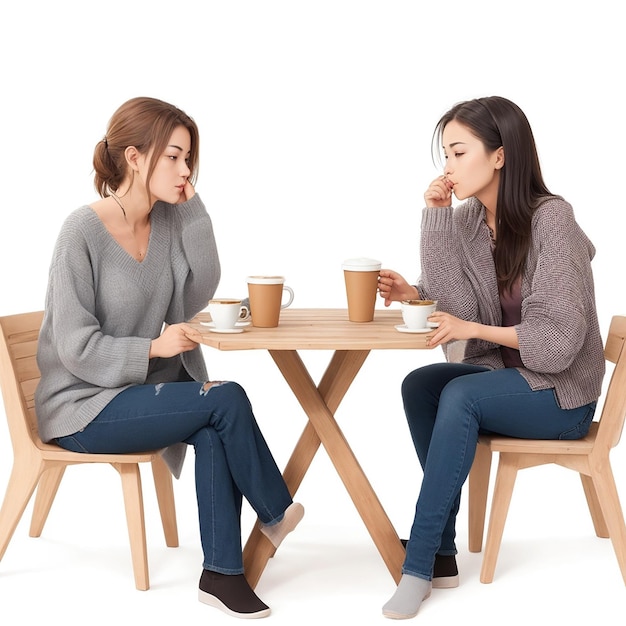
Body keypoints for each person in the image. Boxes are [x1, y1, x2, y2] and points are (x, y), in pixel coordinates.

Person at [34, 96, 304, 619]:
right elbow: (73, 345)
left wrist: (193, 207)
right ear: (134, 158)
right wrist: (152, 348)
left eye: (188, 160)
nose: (185, 170)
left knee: (212, 427)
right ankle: (275, 510)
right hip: (80, 406)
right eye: (174, 158)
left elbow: (196, 292)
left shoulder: (168, 222)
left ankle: (222, 575)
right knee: (224, 401)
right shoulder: (81, 231)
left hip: (133, 395)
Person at [377, 96, 604, 619]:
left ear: (499, 156)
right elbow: (454, 306)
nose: (448, 166)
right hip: (509, 381)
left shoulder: (554, 221)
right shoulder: (470, 221)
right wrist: (427, 252)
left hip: (560, 396)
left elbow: (559, 343)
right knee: (421, 385)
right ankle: (443, 554)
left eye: (458, 152)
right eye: (445, 155)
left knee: (459, 393)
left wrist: (470, 328)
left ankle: (419, 561)